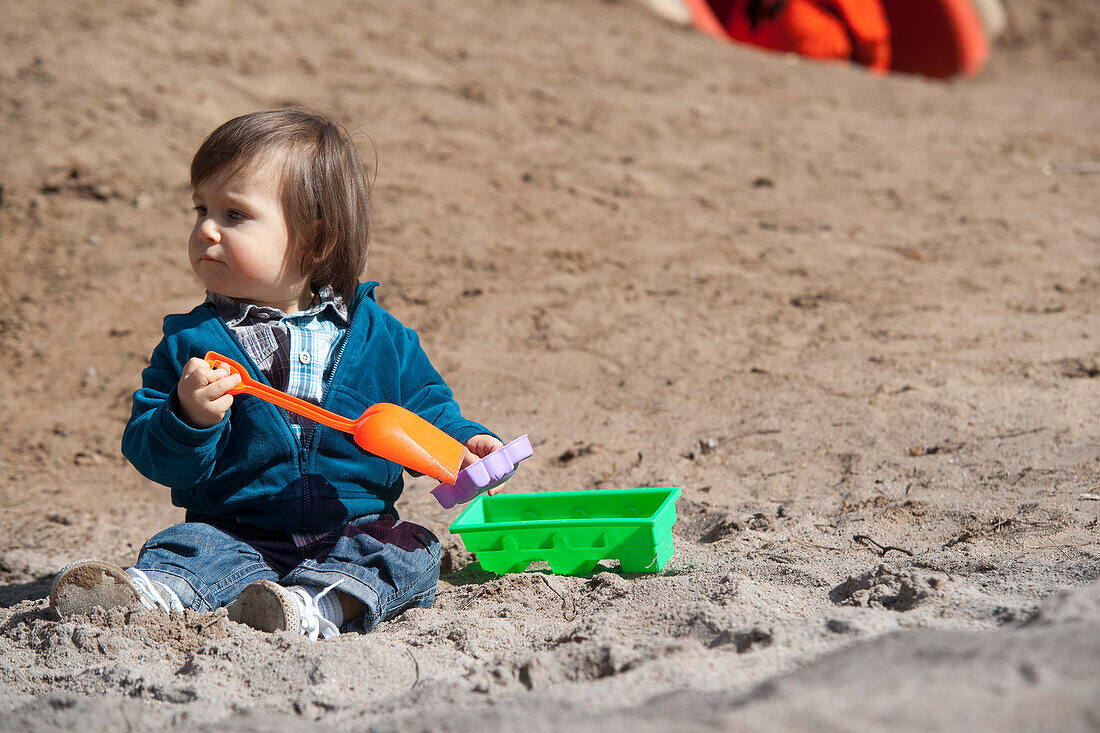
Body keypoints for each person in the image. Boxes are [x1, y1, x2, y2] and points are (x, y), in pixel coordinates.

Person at [48, 109, 504, 640]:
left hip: (351, 530)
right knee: (191, 548)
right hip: (235, 529)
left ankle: (313, 608)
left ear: (315, 242)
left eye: (234, 214)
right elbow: (151, 452)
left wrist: (464, 441)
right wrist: (188, 416)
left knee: (410, 550)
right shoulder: (192, 344)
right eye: (201, 209)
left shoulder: (383, 336)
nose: (205, 231)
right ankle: (150, 594)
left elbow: (425, 405)